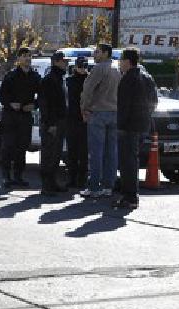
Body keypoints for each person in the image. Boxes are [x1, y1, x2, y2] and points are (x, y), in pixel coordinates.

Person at [113, 47, 158, 210]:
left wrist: (121, 125)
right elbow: (154, 102)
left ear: (127, 61)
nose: (119, 64)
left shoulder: (128, 79)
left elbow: (124, 106)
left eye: (121, 61)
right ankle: (130, 195)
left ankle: (130, 197)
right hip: (143, 125)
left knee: (127, 163)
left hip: (128, 127)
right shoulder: (147, 77)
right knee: (133, 160)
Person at [0, 47, 41, 188]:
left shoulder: (35, 77)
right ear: (19, 59)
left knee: (22, 147)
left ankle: (18, 176)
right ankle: (6, 176)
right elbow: (2, 95)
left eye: (29, 56)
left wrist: (34, 105)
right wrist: (10, 103)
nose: (28, 58)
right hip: (10, 115)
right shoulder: (11, 76)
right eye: (25, 56)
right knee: (8, 146)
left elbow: (43, 95)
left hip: (25, 116)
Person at [80, 43, 120, 198]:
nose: (94, 55)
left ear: (105, 53)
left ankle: (94, 187)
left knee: (96, 152)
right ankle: (108, 186)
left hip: (98, 113)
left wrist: (84, 108)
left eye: (97, 52)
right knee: (111, 152)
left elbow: (88, 89)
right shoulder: (117, 68)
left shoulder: (99, 68)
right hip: (115, 113)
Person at [38, 51, 69, 196]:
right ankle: (46, 185)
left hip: (60, 121)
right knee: (48, 154)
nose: (66, 64)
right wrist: (51, 124)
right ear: (56, 61)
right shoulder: (49, 80)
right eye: (63, 61)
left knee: (56, 154)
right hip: (52, 123)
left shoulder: (60, 78)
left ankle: (52, 182)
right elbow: (45, 105)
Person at [65, 56, 90, 189]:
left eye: (84, 66)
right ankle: (72, 178)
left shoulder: (90, 80)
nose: (82, 69)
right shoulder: (69, 81)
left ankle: (82, 179)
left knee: (83, 152)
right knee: (72, 152)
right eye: (80, 66)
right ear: (75, 67)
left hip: (85, 120)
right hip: (72, 119)